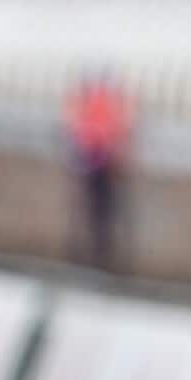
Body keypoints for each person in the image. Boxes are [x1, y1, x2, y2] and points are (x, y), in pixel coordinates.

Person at [64, 70, 131, 270]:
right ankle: (96, 253)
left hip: (96, 162)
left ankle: (96, 253)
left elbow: (82, 130)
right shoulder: (102, 102)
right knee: (98, 210)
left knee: (97, 209)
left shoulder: (90, 101)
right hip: (98, 162)